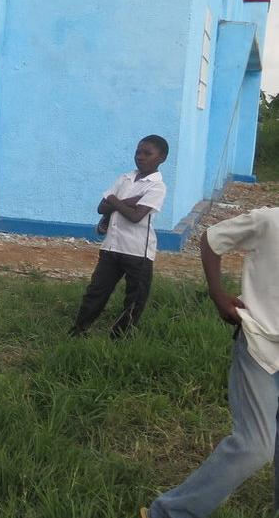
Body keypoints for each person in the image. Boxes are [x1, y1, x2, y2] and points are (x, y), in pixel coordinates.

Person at [141, 205, 279, 517]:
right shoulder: (270, 221)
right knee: (254, 447)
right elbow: (212, 239)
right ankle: (167, 513)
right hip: (261, 346)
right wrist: (217, 295)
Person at [69, 135, 169, 339]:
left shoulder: (157, 187)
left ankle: (119, 337)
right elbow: (101, 207)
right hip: (112, 247)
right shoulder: (124, 178)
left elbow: (135, 217)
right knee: (96, 291)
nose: (140, 157)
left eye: (147, 153)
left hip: (137, 251)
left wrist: (114, 200)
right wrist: (128, 201)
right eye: (138, 152)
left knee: (135, 298)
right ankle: (78, 331)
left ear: (161, 158)